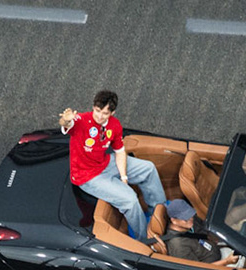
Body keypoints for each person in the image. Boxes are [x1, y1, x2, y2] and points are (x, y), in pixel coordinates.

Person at [57, 90, 166, 242]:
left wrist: (124, 177)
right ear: (93, 107)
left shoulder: (114, 125)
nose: (100, 116)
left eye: (105, 113)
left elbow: (120, 152)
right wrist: (66, 120)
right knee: (130, 201)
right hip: (87, 176)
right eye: (97, 111)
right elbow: (66, 124)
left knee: (148, 168)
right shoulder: (81, 120)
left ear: (112, 113)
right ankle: (144, 239)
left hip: (105, 163)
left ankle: (159, 214)